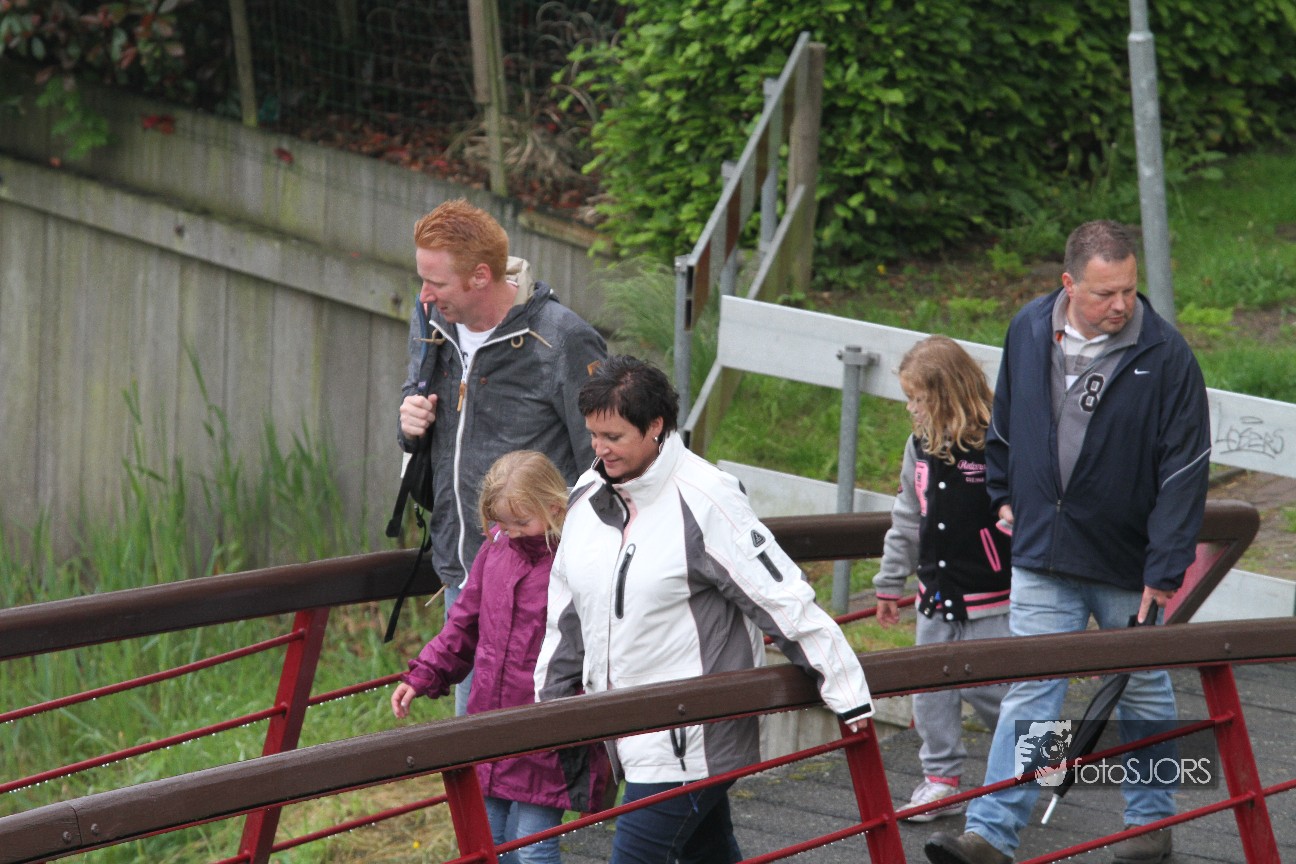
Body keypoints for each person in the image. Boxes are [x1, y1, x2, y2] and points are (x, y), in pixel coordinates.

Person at [925, 220, 1211, 864]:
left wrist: (1165, 567)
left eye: (1129, 290)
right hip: (1043, 552)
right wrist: (1003, 494)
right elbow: (1005, 421)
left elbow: (1186, 470)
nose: (1121, 305)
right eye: (1105, 293)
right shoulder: (1028, 328)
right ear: (1069, 284)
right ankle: (993, 832)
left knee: (1141, 688)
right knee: (1035, 689)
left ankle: (1150, 824)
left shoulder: (1168, 357)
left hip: (1127, 562)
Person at [533, 355, 874, 864]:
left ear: (655, 426)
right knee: (706, 853)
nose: (599, 450)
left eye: (614, 437)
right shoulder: (587, 496)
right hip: (624, 728)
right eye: (594, 435)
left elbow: (779, 595)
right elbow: (566, 616)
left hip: (693, 736)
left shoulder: (706, 497)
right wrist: (549, 708)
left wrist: (845, 689)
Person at [397, 198, 606, 714]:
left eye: (436, 283)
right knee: (477, 740)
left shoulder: (562, 340)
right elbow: (422, 415)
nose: (423, 295)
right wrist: (409, 424)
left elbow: (603, 464)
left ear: (480, 276)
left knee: (535, 741)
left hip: (544, 587)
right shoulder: (432, 322)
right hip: (463, 572)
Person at [391, 450, 612, 864]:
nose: (512, 532)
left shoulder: (577, 559)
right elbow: (464, 623)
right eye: (502, 523)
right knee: (486, 843)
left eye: (521, 523)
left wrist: (582, 713)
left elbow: (599, 641)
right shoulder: (496, 549)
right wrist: (424, 674)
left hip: (546, 733)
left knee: (533, 848)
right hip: (491, 725)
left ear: (555, 507)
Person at [873, 334, 1012, 823]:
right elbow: (907, 517)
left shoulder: (998, 445)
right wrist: (889, 581)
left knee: (999, 688)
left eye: (918, 399)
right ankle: (940, 780)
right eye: (908, 398)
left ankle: (1042, 760)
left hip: (991, 594)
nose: (911, 409)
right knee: (930, 690)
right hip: (935, 595)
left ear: (949, 394)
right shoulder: (919, 446)